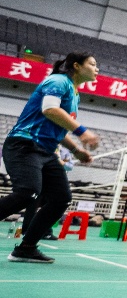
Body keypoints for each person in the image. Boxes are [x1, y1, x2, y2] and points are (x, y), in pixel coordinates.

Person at [1, 52, 100, 263]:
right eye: (92, 64)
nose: (96, 69)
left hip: (46, 151)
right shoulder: (58, 81)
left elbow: (58, 127)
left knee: (60, 198)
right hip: (25, 144)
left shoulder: (75, 94)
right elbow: (50, 109)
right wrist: (82, 131)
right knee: (27, 192)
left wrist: (76, 151)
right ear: (76, 66)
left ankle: (26, 248)